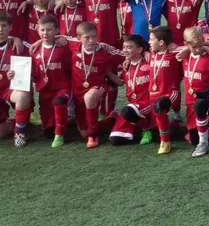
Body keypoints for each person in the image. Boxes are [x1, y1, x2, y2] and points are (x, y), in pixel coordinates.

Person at [65, 22, 122, 148]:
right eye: (87, 37)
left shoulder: (104, 50)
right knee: (84, 133)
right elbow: (56, 38)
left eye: (94, 36)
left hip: (98, 88)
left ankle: (93, 137)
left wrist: (145, 53)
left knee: (90, 96)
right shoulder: (73, 45)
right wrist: (38, 42)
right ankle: (112, 119)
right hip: (78, 91)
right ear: (79, 38)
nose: (91, 40)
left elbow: (126, 54)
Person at [180, 26, 209, 157]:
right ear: (186, 44)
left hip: (206, 97)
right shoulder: (184, 55)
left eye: (200, 46)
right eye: (194, 47)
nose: (198, 50)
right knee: (192, 139)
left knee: (199, 105)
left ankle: (204, 143)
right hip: (190, 100)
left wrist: (202, 94)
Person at [31, 15, 72, 147]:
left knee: (59, 102)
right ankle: (61, 124)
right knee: (48, 132)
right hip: (45, 89)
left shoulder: (64, 47)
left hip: (62, 87)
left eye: (49, 30)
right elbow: (34, 71)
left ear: (56, 31)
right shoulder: (35, 50)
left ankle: (60, 134)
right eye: (42, 30)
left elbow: (70, 68)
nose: (45, 33)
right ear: (38, 30)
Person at [108, 34, 154, 146]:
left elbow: (160, 53)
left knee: (128, 111)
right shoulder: (126, 65)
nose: (125, 50)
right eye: (124, 47)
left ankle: (146, 128)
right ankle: (135, 125)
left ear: (140, 49)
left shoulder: (149, 61)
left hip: (148, 103)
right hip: (133, 106)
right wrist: (106, 71)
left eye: (129, 47)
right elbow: (120, 82)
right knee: (115, 139)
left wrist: (148, 52)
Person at [147, 26, 183, 155]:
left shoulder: (174, 53)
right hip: (153, 94)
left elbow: (194, 46)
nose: (149, 42)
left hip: (170, 93)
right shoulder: (151, 52)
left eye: (152, 39)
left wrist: (179, 47)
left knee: (160, 106)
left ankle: (166, 142)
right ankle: (176, 123)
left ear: (161, 42)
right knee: (154, 132)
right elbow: (138, 45)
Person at [0, 12, 32, 146]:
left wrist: (59, 39)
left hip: (10, 89)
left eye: (4, 26)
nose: (0, 29)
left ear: (10, 27)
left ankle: (19, 132)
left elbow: (42, 48)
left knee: (22, 95)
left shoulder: (18, 45)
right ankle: (12, 121)